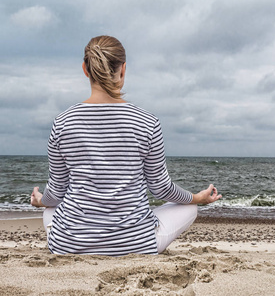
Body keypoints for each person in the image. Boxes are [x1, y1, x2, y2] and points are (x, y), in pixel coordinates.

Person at [30, 35, 222, 256]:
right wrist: (196, 198)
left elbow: (57, 191)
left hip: (69, 246)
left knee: (50, 207)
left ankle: (74, 237)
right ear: (122, 70)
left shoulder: (62, 122)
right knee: (189, 208)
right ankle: (129, 236)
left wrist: (40, 201)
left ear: (85, 69)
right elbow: (160, 188)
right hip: (136, 246)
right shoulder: (147, 121)